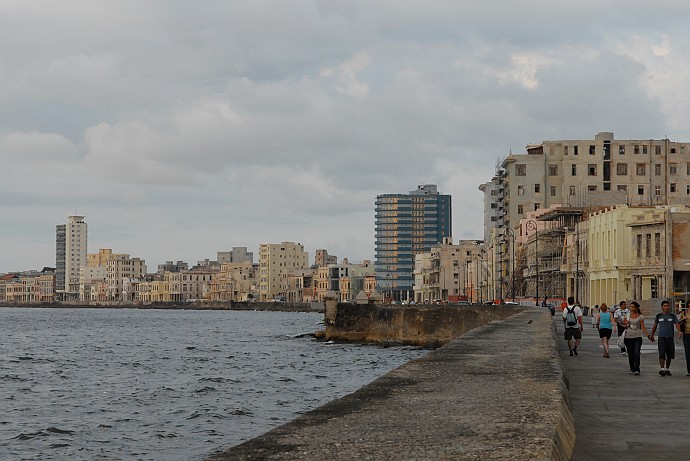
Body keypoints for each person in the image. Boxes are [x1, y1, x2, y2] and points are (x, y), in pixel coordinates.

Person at [650, 300, 682, 376]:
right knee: (662, 353)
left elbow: (677, 324)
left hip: (670, 337)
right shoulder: (658, 316)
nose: (667, 307)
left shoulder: (672, 316)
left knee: (670, 354)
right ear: (662, 307)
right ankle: (662, 369)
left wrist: (679, 332)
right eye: (665, 306)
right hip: (661, 337)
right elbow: (655, 325)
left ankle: (667, 369)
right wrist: (652, 335)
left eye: (668, 306)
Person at [623, 301, 652, 375]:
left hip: (637, 337)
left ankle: (637, 369)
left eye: (633, 307)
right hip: (628, 337)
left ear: (636, 308)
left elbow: (643, 327)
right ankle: (632, 368)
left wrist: (648, 335)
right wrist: (625, 324)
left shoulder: (640, 317)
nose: (631, 308)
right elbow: (624, 325)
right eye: (630, 307)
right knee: (630, 354)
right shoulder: (627, 316)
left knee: (636, 353)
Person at [679, 305, 690, 376]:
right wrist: (683, 319)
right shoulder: (684, 313)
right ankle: (689, 370)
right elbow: (678, 322)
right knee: (688, 353)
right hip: (686, 335)